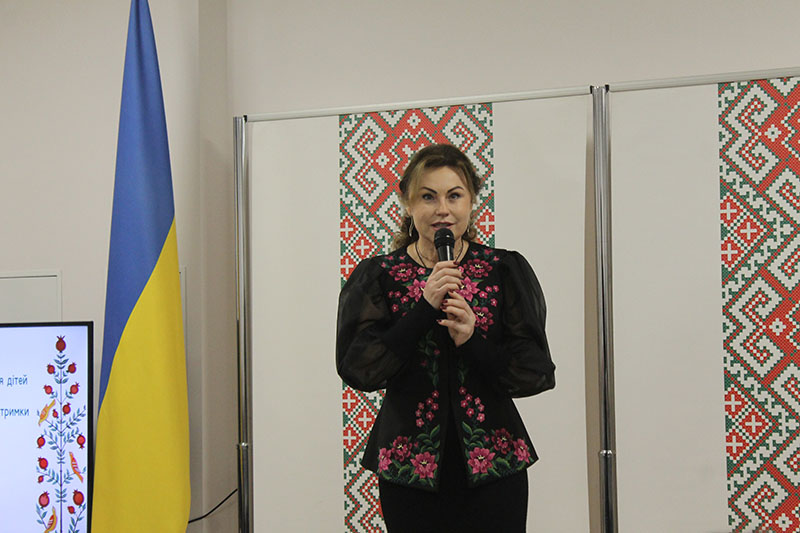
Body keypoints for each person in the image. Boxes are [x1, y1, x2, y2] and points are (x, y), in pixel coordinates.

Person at [336, 143, 555, 532]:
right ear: (407, 203)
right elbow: (360, 368)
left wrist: (472, 339)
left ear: (471, 202)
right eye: (428, 196)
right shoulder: (379, 275)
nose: (442, 209)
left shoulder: (502, 269)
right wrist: (423, 308)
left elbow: (533, 371)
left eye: (454, 195)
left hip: (495, 466)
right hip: (409, 470)